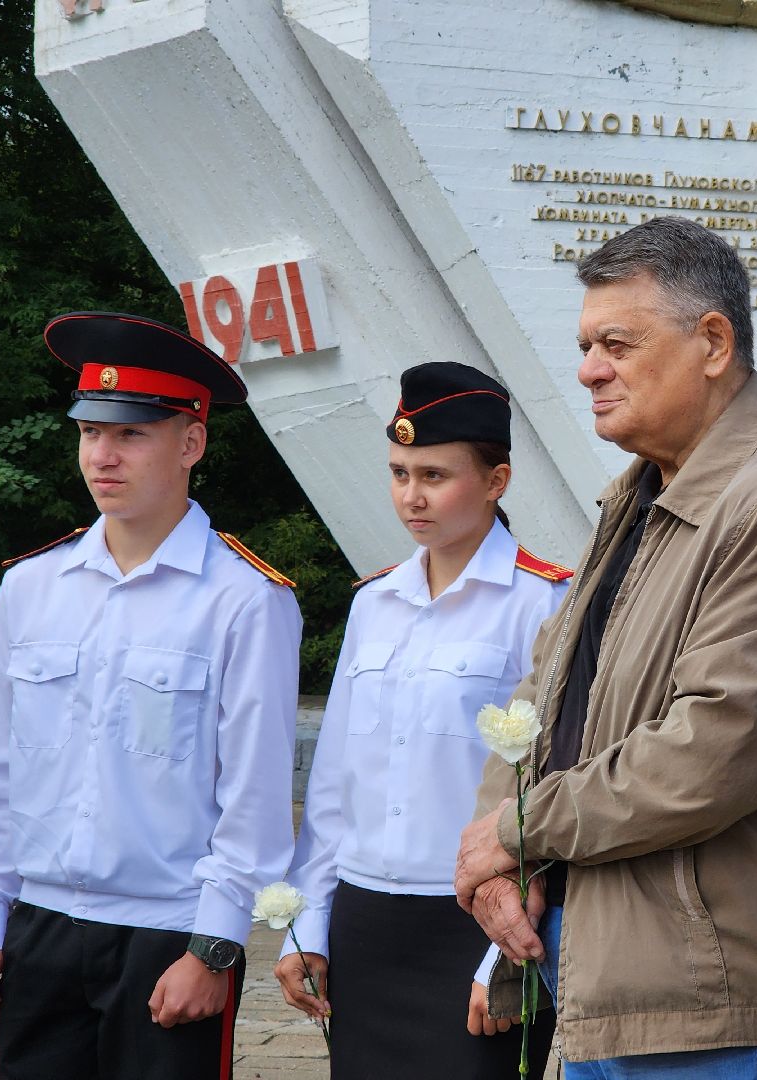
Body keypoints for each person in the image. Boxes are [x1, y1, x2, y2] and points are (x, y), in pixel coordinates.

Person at [453, 215, 757, 1076]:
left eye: (617, 344)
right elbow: (540, 695)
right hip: (602, 966)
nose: (590, 369)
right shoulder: (639, 489)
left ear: (713, 342)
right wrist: (499, 855)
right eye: (587, 344)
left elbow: (713, 749)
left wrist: (521, 831)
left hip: (702, 1007)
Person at [0, 311, 302, 1078]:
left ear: (190, 442)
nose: (102, 456)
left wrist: (214, 946)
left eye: (131, 435)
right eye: (89, 432)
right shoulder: (29, 589)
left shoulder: (244, 600)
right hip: (38, 932)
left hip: (168, 935)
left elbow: (253, 793)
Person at [275, 361, 566, 1077]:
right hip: (366, 919)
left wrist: (505, 953)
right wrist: (306, 925)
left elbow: (551, 790)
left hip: (473, 920)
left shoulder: (543, 602)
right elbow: (337, 780)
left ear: (497, 480)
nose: (412, 495)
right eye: (400, 473)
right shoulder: (374, 603)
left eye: (435, 475)